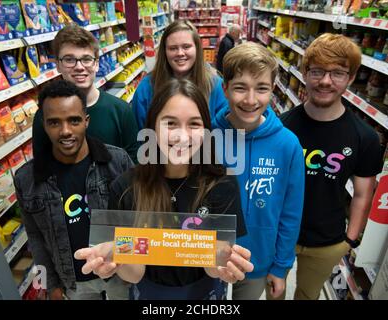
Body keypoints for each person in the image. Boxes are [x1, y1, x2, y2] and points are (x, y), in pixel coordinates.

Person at [75, 78, 254, 300]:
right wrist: (115, 258)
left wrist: (223, 265)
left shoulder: (222, 184)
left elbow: (213, 265)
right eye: (170, 123)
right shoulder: (126, 188)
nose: (182, 136)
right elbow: (134, 274)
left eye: (194, 124)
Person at [279, 33, 383, 300]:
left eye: (337, 73)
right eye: (317, 71)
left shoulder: (365, 138)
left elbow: (362, 194)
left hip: (327, 242)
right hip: (279, 235)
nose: (325, 81)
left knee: (307, 295)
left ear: (350, 78)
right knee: (274, 292)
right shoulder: (281, 126)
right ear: (304, 72)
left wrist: (349, 240)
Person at [14, 80, 134, 300]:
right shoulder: (27, 179)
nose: (65, 131)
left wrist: (129, 266)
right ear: (43, 124)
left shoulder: (118, 162)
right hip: (74, 283)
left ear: (86, 121)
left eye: (74, 120)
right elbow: (36, 238)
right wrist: (50, 286)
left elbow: (135, 220)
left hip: (119, 273)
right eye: (54, 123)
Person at [213, 42, 305, 300]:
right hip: (208, 259)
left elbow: (290, 212)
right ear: (225, 89)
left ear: (272, 89)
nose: (251, 100)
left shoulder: (288, 145)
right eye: (240, 87)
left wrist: (281, 266)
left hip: (257, 262)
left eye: (261, 89)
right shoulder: (206, 137)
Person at [32, 24, 139, 163]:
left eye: (87, 59)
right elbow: (41, 166)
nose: (79, 67)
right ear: (58, 65)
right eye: (69, 59)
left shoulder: (121, 111)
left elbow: (134, 165)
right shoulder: (45, 115)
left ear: (96, 64)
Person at [132, 20, 228, 130]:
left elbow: (223, 133)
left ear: (197, 48)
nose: (180, 53)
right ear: (164, 52)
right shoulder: (147, 87)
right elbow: (140, 133)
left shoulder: (215, 85)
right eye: (173, 48)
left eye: (186, 47)